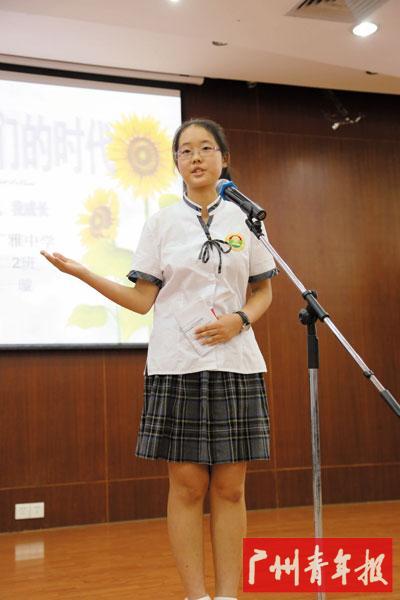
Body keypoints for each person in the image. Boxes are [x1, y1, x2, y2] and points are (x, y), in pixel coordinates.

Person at [41, 118, 277, 600]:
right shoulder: (161, 223)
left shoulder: (247, 220)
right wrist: (85, 273)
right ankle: (196, 595)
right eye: (185, 151)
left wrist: (240, 320)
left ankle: (227, 596)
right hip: (178, 364)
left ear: (224, 158)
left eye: (206, 148)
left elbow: (263, 291)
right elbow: (141, 300)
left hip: (236, 362)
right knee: (188, 487)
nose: (196, 157)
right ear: (175, 164)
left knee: (231, 488)